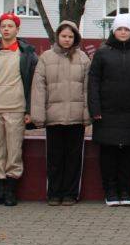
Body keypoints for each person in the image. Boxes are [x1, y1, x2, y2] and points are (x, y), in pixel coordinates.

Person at [0, 13, 38, 207]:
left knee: (14, 151)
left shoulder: (27, 53)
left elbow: (33, 84)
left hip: (16, 107)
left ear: (17, 29)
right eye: (4, 25)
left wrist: (29, 110)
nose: (7, 29)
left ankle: (11, 191)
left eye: (11, 26)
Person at [89, 13, 130, 207]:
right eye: (120, 29)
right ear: (114, 31)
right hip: (107, 114)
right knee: (108, 156)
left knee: (128, 157)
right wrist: (95, 109)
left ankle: (125, 191)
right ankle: (111, 191)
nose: (123, 32)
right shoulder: (102, 53)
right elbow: (93, 83)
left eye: (127, 29)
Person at [31, 20, 91, 206]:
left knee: (74, 159)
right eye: (64, 36)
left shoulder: (83, 59)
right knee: (54, 159)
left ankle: (71, 194)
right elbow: (39, 88)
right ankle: (54, 193)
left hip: (75, 118)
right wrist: (38, 115)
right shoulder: (46, 58)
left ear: (75, 38)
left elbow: (88, 89)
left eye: (70, 36)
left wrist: (86, 114)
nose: (67, 39)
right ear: (58, 37)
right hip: (54, 118)